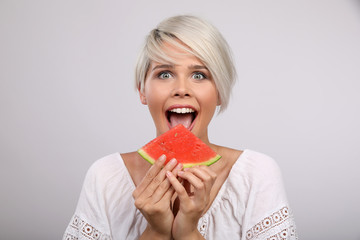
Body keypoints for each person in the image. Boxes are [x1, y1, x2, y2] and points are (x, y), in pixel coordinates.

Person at [63, 15, 297, 240]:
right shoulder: (105, 178)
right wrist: (155, 232)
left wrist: (188, 233)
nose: (181, 89)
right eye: (165, 74)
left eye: (199, 75)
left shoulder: (256, 176)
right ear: (142, 91)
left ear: (219, 94)